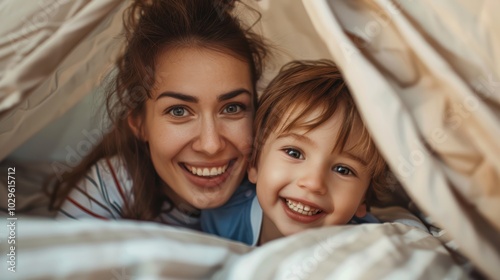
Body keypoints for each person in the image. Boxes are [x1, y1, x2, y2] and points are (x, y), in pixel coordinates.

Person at [49, 0, 269, 230]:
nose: (211, 145)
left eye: (232, 108)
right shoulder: (112, 187)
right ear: (139, 122)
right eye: (179, 111)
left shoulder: (277, 188)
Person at [201, 60, 388, 245]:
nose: (314, 183)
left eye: (343, 170)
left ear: (364, 197)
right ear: (254, 163)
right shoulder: (221, 217)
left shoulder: (367, 246)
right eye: (294, 153)